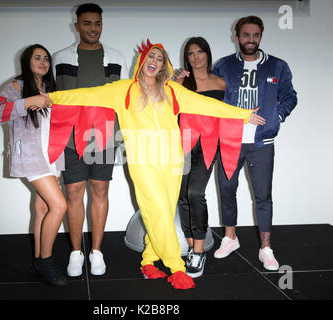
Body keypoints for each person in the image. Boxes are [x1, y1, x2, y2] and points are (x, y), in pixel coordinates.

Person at [44, 40, 265, 289]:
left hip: (173, 162)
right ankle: (176, 266)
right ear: (142, 61)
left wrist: (243, 114)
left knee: (163, 213)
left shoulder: (171, 91)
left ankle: (149, 260)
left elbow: (207, 104)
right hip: (142, 163)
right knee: (157, 209)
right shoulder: (123, 90)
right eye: (152, 56)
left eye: (160, 59)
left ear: (164, 66)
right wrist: (50, 98)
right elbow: (85, 95)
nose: (155, 61)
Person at [212, 16, 297, 270]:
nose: (251, 40)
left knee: (263, 196)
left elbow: (290, 97)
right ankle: (230, 238)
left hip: (262, 143)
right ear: (236, 37)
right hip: (230, 140)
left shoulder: (278, 67)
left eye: (256, 35)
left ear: (261, 36)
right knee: (226, 190)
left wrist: (276, 117)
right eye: (246, 35)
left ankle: (266, 248)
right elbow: (211, 98)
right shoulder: (224, 66)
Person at [52, 3, 128, 277]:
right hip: (71, 138)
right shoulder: (60, 57)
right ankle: (76, 252)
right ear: (77, 26)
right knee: (72, 193)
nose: (92, 28)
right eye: (87, 23)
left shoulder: (117, 57)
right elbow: (53, 97)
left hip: (105, 138)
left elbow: (124, 98)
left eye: (97, 23)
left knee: (99, 191)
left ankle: (96, 251)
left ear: (101, 25)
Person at [0, 44, 68, 286]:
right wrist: (27, 102)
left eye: (46, 58)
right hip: (32, 158)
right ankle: (46, 261)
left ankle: (37, 262)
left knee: (43, 209)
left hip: (51, 156)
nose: (43, 62)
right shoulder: (16, 86)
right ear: (27, 61)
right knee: (60, 205)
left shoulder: (51, 88)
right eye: (37, 58)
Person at [175, 37, 229, 278]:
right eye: (191, 53)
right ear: (187, 58)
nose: (196, 57)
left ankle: (199, 251)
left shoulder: (220, 83)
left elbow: (227, 113)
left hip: (209, 145)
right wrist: (174, 83)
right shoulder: (181, 82)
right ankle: (191, 247)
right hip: (183, 145)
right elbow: (169, 109)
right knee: (182, 197)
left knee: (195, 193)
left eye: (200, 52)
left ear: (207, 54)